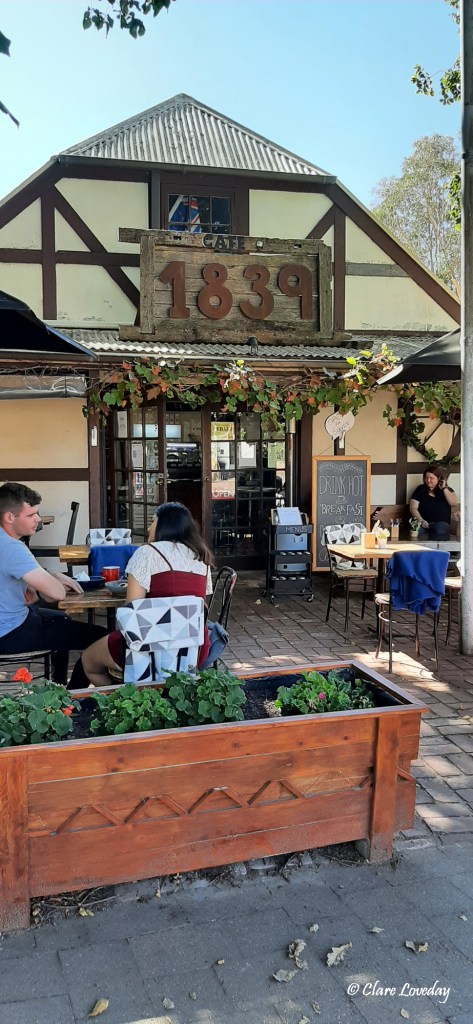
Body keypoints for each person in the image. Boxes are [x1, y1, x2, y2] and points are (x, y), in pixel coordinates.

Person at [81, 502, 214, 687]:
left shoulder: (146, 553)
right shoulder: (201, 556)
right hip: (192, 650)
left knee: (88, 661)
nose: (149, 528)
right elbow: (195, 605)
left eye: (153, 521)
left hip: (147, 650)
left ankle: (125, 700)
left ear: (165, 524)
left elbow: (132, 610)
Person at [0, 481, 107, 687]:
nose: (38, 519)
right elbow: (56, 594)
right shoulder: (12, 547)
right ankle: (74, 695)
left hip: (13, 619)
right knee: (101, 639)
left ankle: (59, 689)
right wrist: (55, 576)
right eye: (31, 515)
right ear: (9, 517)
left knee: (62, 619)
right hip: (9, 632)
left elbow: (37, 592)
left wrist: (42, 581)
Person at [409, 465, 458, 541]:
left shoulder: (447, 490)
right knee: (417, 534)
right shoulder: (420, 489)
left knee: (440, 532)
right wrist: (421, 521)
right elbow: (413, 508)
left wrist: (444, 488)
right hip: (423, 522)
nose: (428, 480)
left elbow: (453, 503)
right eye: (426, 478)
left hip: (441, 524)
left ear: (438, 478)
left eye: (431, 478)